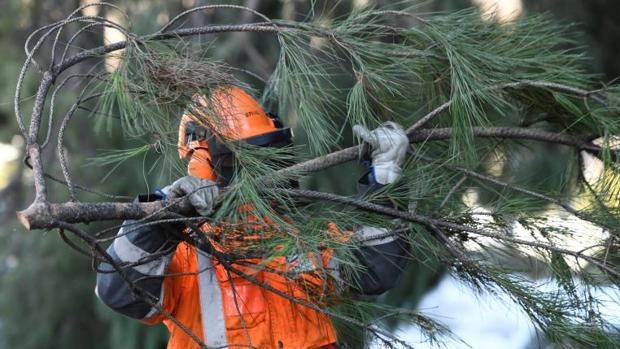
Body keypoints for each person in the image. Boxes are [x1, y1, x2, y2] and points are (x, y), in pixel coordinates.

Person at [95, 86, 410, 349]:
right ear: (204, 162)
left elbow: (372, 271)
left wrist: (384, 182)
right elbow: (120, 293)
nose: (260, 171)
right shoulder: (181, 249)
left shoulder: (300, 235)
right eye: (244, 159)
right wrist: (162, 214)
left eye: (266, 157)